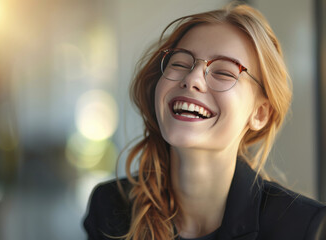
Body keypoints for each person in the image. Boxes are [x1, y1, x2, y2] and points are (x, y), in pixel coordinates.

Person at [83, 2, 326, 240]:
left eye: (223, 72)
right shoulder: (109, 207)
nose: (192, 79)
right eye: (179, 63)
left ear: (260, 114)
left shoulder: (304, 227)